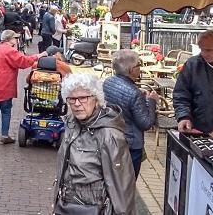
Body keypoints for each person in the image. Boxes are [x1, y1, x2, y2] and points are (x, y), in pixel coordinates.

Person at [53, 74, 135, 214]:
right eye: (72, 99)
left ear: (96, 99)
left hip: (94, 209)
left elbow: (122, 187)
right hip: (67, 207)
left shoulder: (109, 135)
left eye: (83, 98)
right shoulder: (72, 125)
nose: (77, 104)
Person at [0, 30, 47, 144]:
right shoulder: (10, 50)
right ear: (10, 39)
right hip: (3, 84)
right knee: (6, 110)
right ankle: (4, 135)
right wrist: (39, 56)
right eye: (15, 38)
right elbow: (23, 61)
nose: (16, 40)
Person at [103, 50, 158, 179]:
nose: (140, 68)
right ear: (131, 69)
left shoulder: (108, 82)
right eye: (139, 65)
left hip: (112, 138)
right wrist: (152, 101)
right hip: (131, 145)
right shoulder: (134, 93)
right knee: (127, 184)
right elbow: (146, 123)